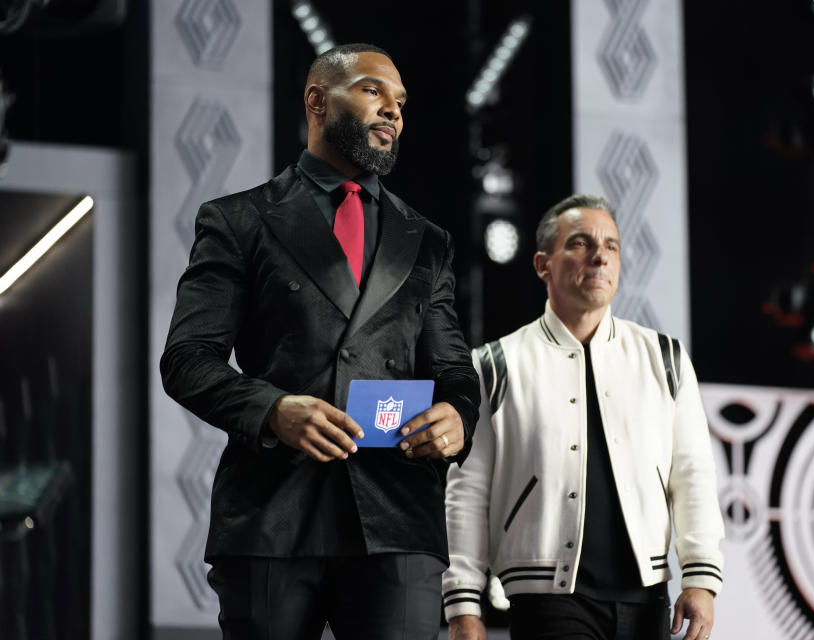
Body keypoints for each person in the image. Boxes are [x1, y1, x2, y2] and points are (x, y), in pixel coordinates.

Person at [160, 43, 480, 640]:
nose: (393, 111)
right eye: (372, 91)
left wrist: (458, 415)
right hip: (272, 511)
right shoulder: (239, 219)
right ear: (317, 100)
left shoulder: (428, 241)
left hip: (398, 513)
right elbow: (186, 360)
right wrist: (273, 409)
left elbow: (455, 370)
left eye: (401, 103)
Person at [442, 195, 725, 640]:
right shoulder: (497, 363)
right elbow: (467, 490)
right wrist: (463, 604)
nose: (599, 255)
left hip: (649, 595)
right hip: (545, 599)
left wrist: (701, 578)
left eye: (611, 245)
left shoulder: (664, 356)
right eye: (580, 242)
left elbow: (693, 474)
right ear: (543, 264)